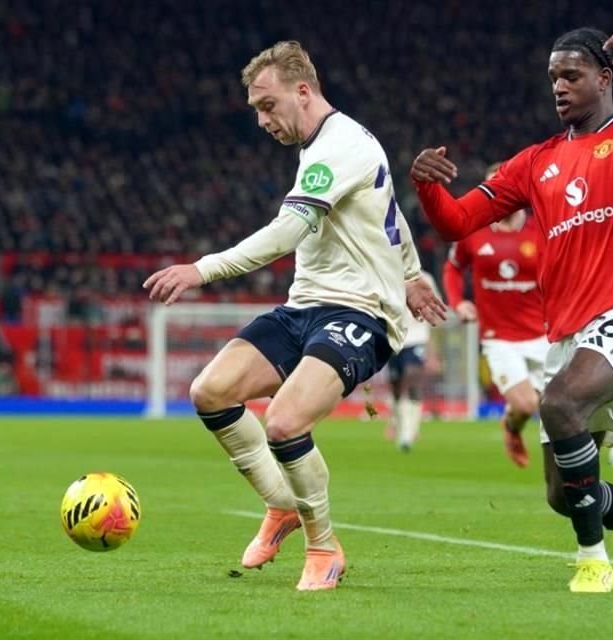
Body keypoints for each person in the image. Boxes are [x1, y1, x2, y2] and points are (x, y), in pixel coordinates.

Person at [410, 26, 613, 593]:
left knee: (559, 402)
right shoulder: (535, 162)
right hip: (568, 333)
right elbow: (456, 222)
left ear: (605, 78)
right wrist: (427, 186)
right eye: (553, 77)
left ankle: (593, 561)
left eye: (572, 75)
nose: (559, 86)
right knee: (564, 493)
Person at [144, 41, 446, 591]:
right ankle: (281, 505)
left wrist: (201, 269)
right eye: (256, 109)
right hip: (305, 305)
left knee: (284, 422)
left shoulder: (340, 146)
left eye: (268, 105)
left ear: (303, 91)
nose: (262, 120)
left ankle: (324, 547)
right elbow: (388, 211)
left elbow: (287, 233)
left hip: (361, 313)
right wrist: (409, 272)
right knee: (210, 392)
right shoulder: (328, 145)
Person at [443, 162, 547, 468]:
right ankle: (512, 428)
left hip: (543, 334)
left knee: (553, 407)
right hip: (497, 337)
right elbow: (453, 268)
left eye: (502, 187)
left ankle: (516, 426)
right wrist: (458, 302)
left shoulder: (542, 229)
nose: (495, 194)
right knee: (526, 404)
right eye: (490, 188)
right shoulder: (473, 232)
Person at [385, 270, 440, 452]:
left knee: (412, 380)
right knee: (396, 385)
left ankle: (409, 431)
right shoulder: (387, 272)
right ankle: (397, 421)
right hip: (393, 339)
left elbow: (434, 313)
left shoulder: (426, 278)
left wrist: (433, 352)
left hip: (417, 338)